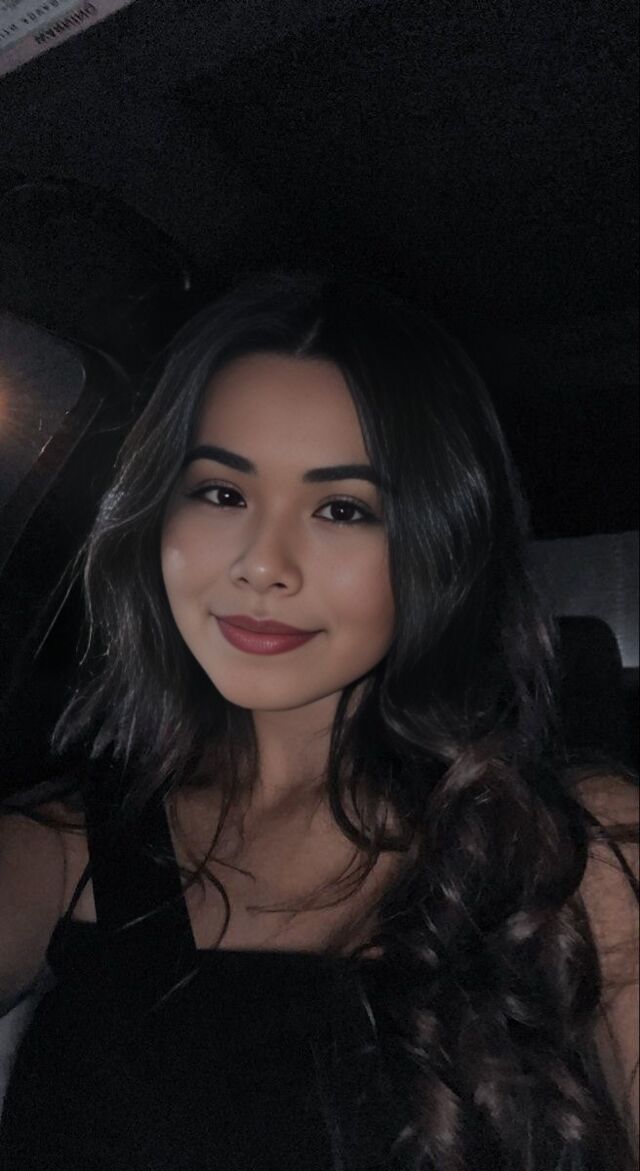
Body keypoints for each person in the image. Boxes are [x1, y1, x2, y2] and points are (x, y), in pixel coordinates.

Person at [0, 266, 637, 1170]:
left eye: (342, 508)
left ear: (438, 547)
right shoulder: (62, 849)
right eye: (222, 492)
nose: (264, 564)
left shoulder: (575, 853)